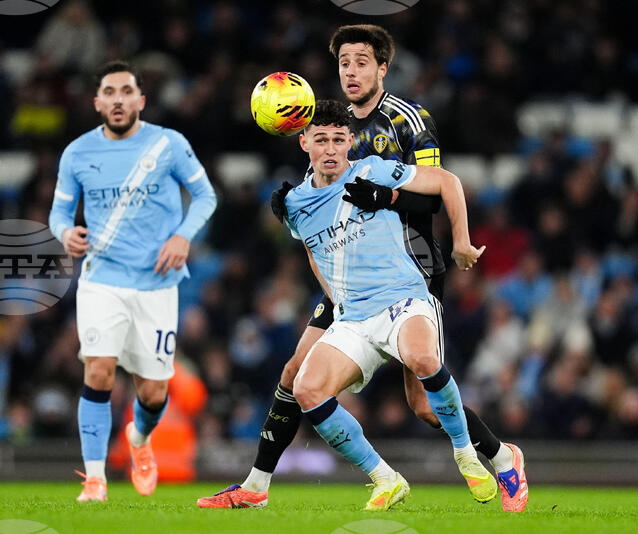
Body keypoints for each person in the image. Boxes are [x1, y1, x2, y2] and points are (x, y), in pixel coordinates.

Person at [197, 24, 527, 513]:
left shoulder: (407, 120)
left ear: (382, 68)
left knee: (422, 403)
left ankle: (500, 457)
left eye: (361, 62)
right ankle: (257, 484)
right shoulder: (331, 126)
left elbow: (433, 194)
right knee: (297, 374)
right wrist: (303, 232)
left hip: (409, 264)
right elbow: (317, 222)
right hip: (347, 277)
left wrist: (389, 199)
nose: (351, 72)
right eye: (344, 63)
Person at [49, 60, 217, 502]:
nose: (118, 99)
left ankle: (139, 439)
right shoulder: (77, 153)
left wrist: (183, 236)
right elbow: (59, 212)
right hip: (102, 280)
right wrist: (64, 232)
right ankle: (95, 479)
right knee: (98, 369)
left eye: (127, 91)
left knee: (154, 392)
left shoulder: (168, 144)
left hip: (158, 284)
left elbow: (206, 196)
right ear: (97, 102)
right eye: (110, 92)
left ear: (141, 99)